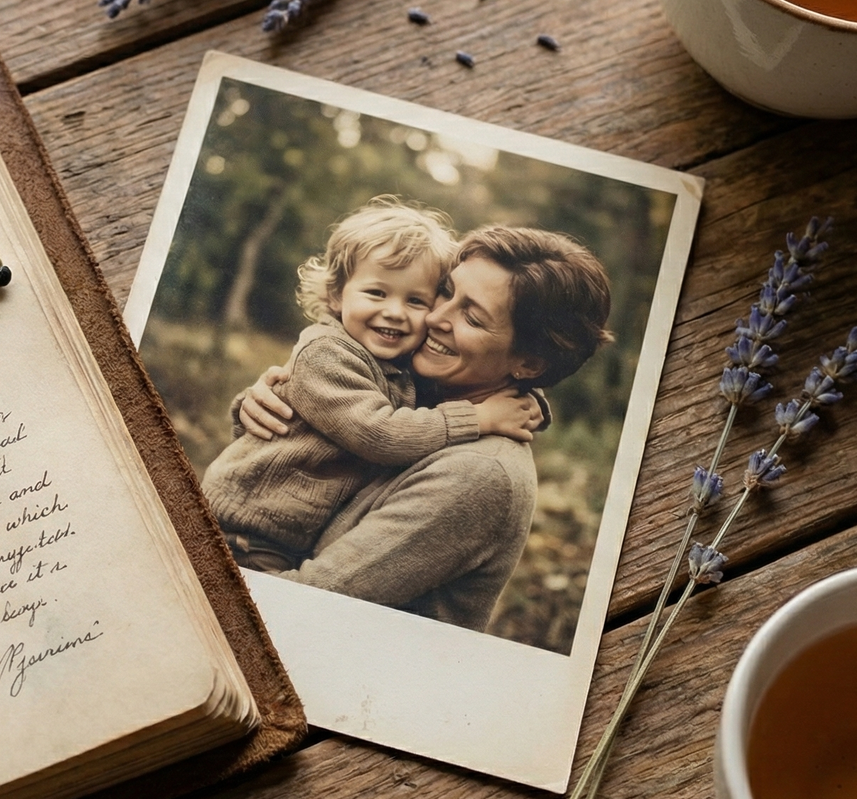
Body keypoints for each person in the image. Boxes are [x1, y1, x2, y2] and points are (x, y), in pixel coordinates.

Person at [235, 224, 613, 631]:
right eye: (446, 291)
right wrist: (274, 402)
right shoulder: (421, 390)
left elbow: (304, 604)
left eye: (472, 317)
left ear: (529, 364)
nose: (434, 316)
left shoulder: (479, 474)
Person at [203, 198, 542, 573]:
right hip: (245, 534)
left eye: (416, 300)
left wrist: (525, 397)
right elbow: (380, 434)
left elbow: (461, 389)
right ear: (336, 295)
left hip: (283, 536)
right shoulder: (325, 353)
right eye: (377, 293)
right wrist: (479, 418)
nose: (394, 312)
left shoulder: (397, 363)